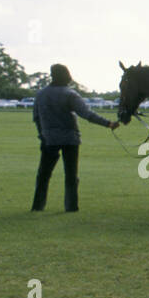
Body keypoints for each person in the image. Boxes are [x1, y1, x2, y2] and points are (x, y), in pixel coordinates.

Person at [31, 63, 117, 212]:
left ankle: (38, 206)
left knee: (43, 175)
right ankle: (71, 206)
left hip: (49, 139)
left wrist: (42, 135)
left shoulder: (41, 94)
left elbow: (36, 117)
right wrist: (108, 124)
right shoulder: (69, 94)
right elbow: (87, 114)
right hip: (69, 139)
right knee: (71, 175)